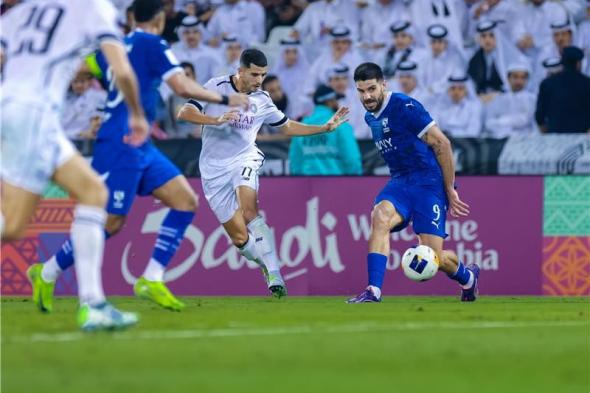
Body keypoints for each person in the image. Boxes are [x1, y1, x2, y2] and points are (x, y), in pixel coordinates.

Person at [28, 0, 249, 314]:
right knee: (112, 221)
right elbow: (179, 83)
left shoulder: (110, 48)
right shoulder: (151, 42)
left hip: (140, 142)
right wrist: (226, 97)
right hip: (121, 142)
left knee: (185, 201)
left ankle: (151, 278)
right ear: (159, 19)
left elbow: (76, 68)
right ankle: (48, 272)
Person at [1, 0, 148, 330]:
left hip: (13, 107)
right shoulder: (94, 8)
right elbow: (122, 70)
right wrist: (137, 114)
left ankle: (93, 304)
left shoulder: (24, 10)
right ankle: (93, 304)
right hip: (35, 113)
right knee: (12, 226)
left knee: (93, 191)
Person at [177, 49, 349, 297]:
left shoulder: (262, 100)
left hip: (244, 158)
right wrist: (216, 120)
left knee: (250, 210)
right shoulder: (216, 87)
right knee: (239, 239)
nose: (259, 80)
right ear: (241, 70)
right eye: (255, 74)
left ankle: (276, 274)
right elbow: (185, 113)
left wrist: (323, 128)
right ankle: (265, 266)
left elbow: (287, 126)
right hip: (212, 169)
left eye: (263, 75)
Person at [347, 62, 478, 304]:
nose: (367, 96)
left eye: (372, 89)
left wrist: (449, 189)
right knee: (380, 217)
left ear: (384, 84)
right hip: (400, 182)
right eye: (361, 91)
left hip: (428, 184)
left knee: (433, 257)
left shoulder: (405, 107)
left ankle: (467, 277)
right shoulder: (369, 116)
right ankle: (373, 290)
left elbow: (442, 144)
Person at [289, 85, 362, 175]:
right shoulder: (341, 125)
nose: (337, 103)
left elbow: (295, 162)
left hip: (308, 185)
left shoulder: (300, 126)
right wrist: (355, 180)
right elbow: (352, 159)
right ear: (330, 101)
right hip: (336, 184)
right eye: (336, 100)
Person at [467, 20, 528, 101]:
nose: (487, 40)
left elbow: (513, 83)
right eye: (483, 36)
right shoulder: (474, 59)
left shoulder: (509, 56)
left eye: (491, 36)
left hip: (504, 98)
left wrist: (498, 95)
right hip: (480, 99)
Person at [535, 46, 590, 133]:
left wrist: (546, 133)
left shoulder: (547, 83)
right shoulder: (587, 83)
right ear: (578, 63)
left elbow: (539, 115)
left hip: (555, 136)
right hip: (581, 135)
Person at [303, 26, 364, 97]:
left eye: (344, 42)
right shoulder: (323, 59)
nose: (340, 45)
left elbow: (357, 83)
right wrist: (335, 60)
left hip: (351, 97)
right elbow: (312, 79)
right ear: (331, 43)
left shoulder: (357, 59)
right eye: (336, 42)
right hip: (327, 97)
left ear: (349, 43)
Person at [484, 64, 538, 137]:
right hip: (501, 137)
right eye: (515, 77)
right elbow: (489, 122)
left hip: (526, 139)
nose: (519, 81)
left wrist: (501, 120)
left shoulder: (533, 99)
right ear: (508, 78)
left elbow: (530, 122)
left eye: (523, 78)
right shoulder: (498, 98)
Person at [171, 15, 220, 85]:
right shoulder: (173, 52)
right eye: (187, 32)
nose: (191, 36)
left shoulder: (211, 54)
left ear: (201, 33)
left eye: (195, 32)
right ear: (181, 34)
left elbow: (217, 79)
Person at [327, 64, 371, 139]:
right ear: (329, 82)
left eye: (344, 78)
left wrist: (350, 139)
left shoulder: (358, 97)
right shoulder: (324, 100)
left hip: (357, 140)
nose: (341, 82)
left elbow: (364, 123)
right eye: (337, 79)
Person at [61, 69, 107, 140]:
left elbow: (99, 119)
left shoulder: (100, 96)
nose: (79, 85)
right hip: (66, 138)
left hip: (88, 140)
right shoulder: (66, 99)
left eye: (82, 81)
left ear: (90, 81)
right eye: (75, 82)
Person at [421, 24, 466, 96]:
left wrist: (434, 89)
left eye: (440, 42)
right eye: (433, 42)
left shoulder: (454, 60)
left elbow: (452, 81)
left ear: (446, 44)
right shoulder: (425, 60)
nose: (436, 46)